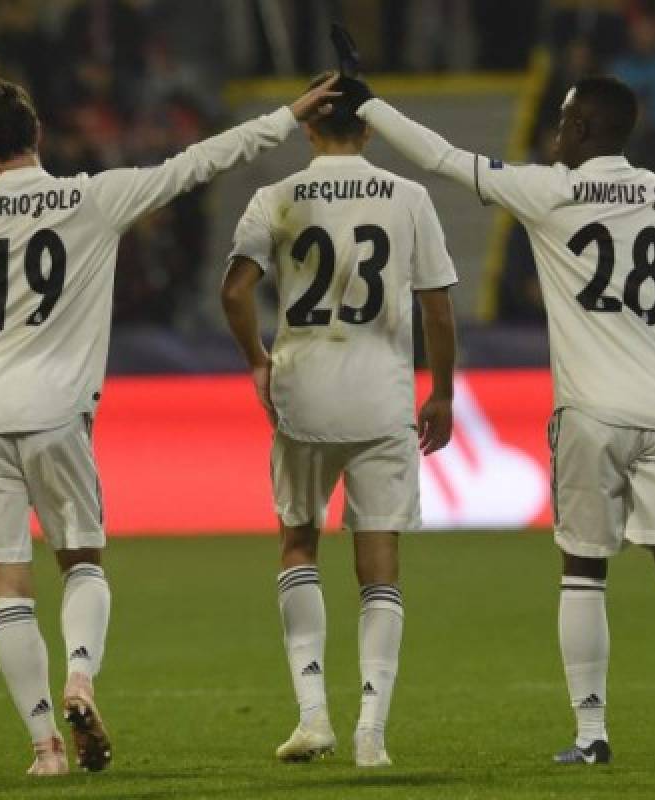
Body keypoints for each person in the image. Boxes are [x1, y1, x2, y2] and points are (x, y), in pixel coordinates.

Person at [0, 76, 340, 776]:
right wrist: (288, 115)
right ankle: (79, 676)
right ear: (36, 132)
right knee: (82, 561)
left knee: (8, 584)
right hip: (56, 415)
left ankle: (44, 748)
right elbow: (199, 161)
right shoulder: (92, 198)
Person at [347, 74, 655, 767]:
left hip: (590, 413)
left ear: (585, 129)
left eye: (563, 122)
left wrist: (368, 103)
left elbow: (441, 157)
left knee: (583, 570)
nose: (555, 134)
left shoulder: (548, 191)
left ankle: (592, 736)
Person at [220, 72, 458, 769]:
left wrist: (258, 360)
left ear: (308, 127)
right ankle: (372, 736)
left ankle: (314, 717)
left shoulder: (277, 197)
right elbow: (438, 308)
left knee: (299, 541)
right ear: (373, 126)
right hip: (382, 395)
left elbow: (235, 289)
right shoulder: (409, 197)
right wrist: (441, 392)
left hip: (305, 391)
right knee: (378, 561)